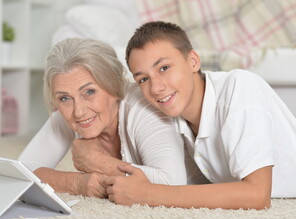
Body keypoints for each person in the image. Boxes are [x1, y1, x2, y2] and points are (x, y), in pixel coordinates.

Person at [103, 21, 296, 209]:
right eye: (144, 79)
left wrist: (148, 194)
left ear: (193, 61)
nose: (156, 88)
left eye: (164, 68)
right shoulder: (174, 115)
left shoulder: (239, 87)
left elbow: (257, 195)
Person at [18, 38, 188, 199]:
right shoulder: (70, 109)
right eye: (64, 98)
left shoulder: (142, 106)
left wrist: (98, 162)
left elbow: (172, 184)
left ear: (114, 86)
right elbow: (19, 172)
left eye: (89, 92)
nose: (79, 112)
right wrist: (76, 183)